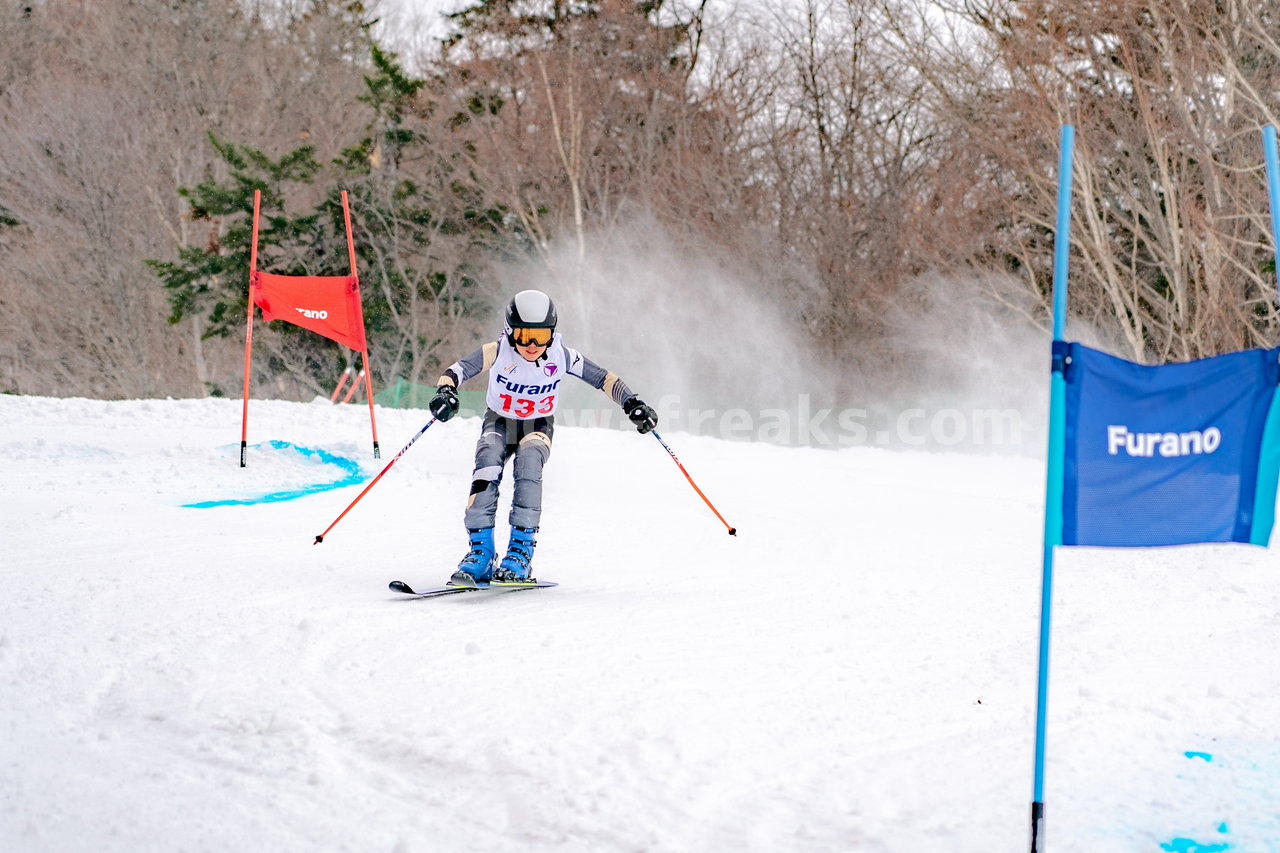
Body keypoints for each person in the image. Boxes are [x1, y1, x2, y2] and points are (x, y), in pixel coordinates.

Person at [428, 289, 658, 586]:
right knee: (485, 469)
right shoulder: (498, 350)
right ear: (511, 332)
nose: (533, 344)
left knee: (528, 467)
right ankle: (481, 553)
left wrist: (632, 402)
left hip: (537, 425)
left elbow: (603, 378)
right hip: (499, 422)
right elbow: (457, 370)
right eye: (524, 335)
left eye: (542, 335)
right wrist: (445, 391)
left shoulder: (561, 355)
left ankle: (520, 554)